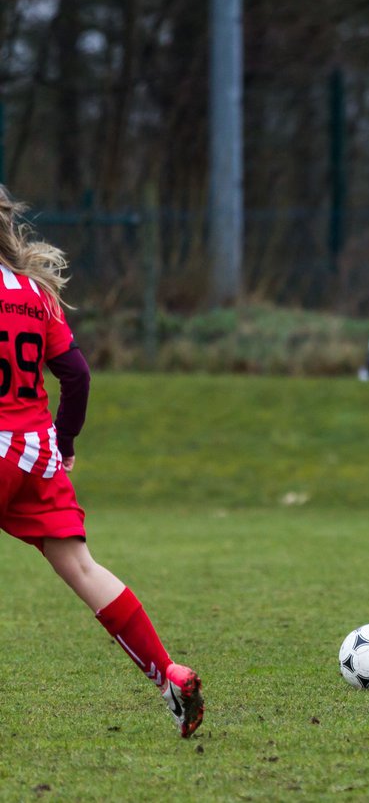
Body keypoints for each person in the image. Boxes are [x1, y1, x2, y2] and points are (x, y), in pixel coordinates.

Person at [0, 186, 204, 737]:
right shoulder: (36, 294)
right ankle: (170, 675)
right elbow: (77, 374)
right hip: (35, 451)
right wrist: (62, 442)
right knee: (84, 568)